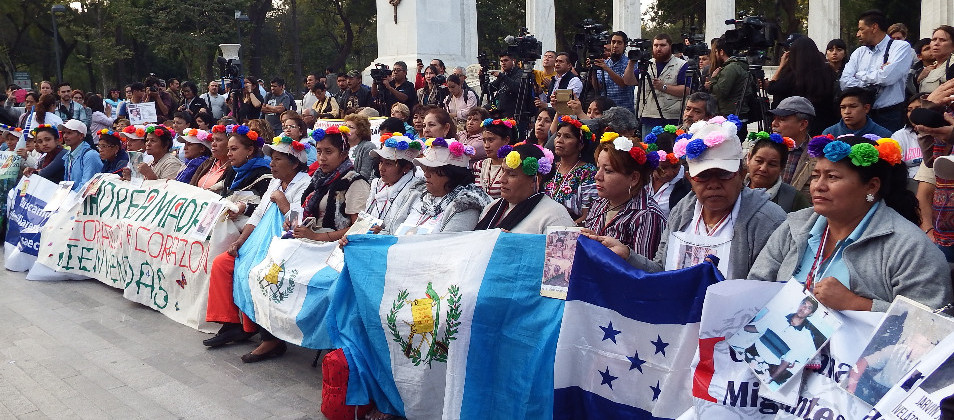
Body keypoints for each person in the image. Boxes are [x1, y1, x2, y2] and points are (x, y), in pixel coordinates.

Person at [748, 135, 953, 312]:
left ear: (871, 186)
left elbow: (928, 323)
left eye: (832, 177)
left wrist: (858, 304)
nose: (818, 186)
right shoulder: (795, 226)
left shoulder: (909, 247)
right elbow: (756, 287)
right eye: (816, 176)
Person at [588, 116, 787, 279]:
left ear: (741, 175)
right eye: (703, 176)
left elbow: (765, 289)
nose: (714, 184)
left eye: (724, 174)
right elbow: (662, 271)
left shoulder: (769, 221)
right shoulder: (682, 212)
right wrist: (628, 255)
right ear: (690, 179)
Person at [203, 132, 311, 359]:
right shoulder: (274, 181)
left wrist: (282, 201)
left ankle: (270, 338)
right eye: (272, 159)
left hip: (285, 247)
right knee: (223, 263)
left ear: (294, 163)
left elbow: (297, 224)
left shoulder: (305, 184)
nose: (271, 164)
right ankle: (232, 324)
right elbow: (258, 215)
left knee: (255, 271)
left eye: (278, 159)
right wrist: (240, 241)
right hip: (260, 240)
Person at [581, 130, 667, 258]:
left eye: (608, 171)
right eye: (598, 168)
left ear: (634, 178)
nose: (597, 176)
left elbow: (641, 268)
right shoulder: (599, 203)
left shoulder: (646, 216)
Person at [392, 138, 489, 234]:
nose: (426, 174)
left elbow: (448, 241)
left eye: (433, 170)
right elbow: (393, 228)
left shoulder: (465, 205)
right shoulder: (418, 193)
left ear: (452, 174)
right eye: (426, 168)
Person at [840, 10, 915, 132]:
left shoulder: (900, 47)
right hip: (862, 116)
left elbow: (888, 77)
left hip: (890, 115)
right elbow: (844, 82)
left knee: (888, 144)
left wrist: (859, 75)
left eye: (861, 29)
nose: (858, 34)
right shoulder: (859, 52)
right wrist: (877, 74)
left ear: (874, 27)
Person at [475, 143, 574, 234]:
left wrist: (516, 243)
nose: (501, 179)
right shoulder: (491, 208)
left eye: (512, 174)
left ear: (535, 180)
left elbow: (563, 248)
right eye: (503, 171)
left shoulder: (555, 217)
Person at [294, 125, 370, 242]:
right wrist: (295, 225)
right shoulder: (318, 179)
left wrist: (316, 236)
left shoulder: (354, 182)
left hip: (335, 246)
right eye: (319, 151)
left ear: (343, 154)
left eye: (328, 152)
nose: (322, 158)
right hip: (313, 242)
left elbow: (360, 227)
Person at [736, 297, 821, 384]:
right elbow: (756, 328)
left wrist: (771, 378)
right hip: (750, 352)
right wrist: (737, 327)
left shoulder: (803, 337)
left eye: (808, 308)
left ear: (811, 314)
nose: (803, 308)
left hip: (766, 367)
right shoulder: (779, 316)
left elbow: (786, 361)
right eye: (803, 304)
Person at [765, 37, 838, 135]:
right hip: (825, 125)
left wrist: (781, 66)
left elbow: (772, 88)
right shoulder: (828, 72)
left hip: (797, 127)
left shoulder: (792, 76)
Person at [623, 34, 689, 134]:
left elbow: (687, 90)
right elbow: (628, 81)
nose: (658, 48)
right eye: (656, 45)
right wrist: (631, 62)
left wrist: (664, 87)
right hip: (647, 117)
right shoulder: (647, 64)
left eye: (662, 45)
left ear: (670, 46)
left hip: (670, 118)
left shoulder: (681, 65)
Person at [363, 134, 426, 234]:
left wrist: (382, 233)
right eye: (381, 162)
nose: (381, 168)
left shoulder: (416, 193)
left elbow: (408, 233)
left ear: (406, 167)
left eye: (388, 164)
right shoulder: (377, 185)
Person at [545, 116, 597, 223]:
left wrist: (565, 229)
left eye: (567, 136)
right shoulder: (550, 168)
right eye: (558, 135)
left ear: (580, 145)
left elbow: (588, 216)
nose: (559, 140)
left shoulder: (588, 173)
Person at [744, 131, 811, 212]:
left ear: (782, 167)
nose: (763, 168)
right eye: (759, 161)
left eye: (772, 164)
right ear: (749, 159)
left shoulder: (793, 199)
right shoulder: (735, 189)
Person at [768, 96, 817, 196]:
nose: (774, 124)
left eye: (782, 119)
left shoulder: (818, 156)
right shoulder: (763, 149)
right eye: (774, 119)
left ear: (802, 125)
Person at [642, 126, 691, 216]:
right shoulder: (640, 177)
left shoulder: (688, 184)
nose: (669, 173)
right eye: (663, 167)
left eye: (675, 166)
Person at [706, 38, 752, 118]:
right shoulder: (735, 65)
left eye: (716, 52)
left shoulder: (730, 68)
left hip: (730, 112)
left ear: (721, 52)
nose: (715, 55)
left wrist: (713, 80)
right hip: (735, 110)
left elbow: (721, 92)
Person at [489, 52, 535, 131]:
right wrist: (482, 78)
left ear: (513, 61)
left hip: (517, 117)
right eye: (501, 61)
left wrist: (501, 76)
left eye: (506, 60)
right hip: (503, 116)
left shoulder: (520, 73)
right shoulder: (504, 75)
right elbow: (490, 89)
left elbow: (517, 88)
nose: (503, 63)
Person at [822, 87, 894, 138]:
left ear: (866, 108)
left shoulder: (883, 135)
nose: (847, 112)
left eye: (853, 106)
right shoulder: (829, 134)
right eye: (843, 107)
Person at [592, 31, 635, 112]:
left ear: (624, 45)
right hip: (605, 110)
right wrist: (593, 70)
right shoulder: (605, 63)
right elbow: (598, 87)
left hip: (624, 110)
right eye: (613, 42)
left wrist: (607, 69)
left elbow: (624, 83)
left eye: (619, 43)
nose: (615, 45)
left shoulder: (630, 63)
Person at [473, 118, 516, 199]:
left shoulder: (513, 167)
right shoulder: (479, 166)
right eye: (484, 141)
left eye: (491, 140)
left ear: (506, 140)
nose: (486, 145)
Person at [58, 119, 102, 190]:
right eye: (64, 132)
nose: (65, 136)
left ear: (81, 136)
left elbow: (86, 185)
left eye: (69, 133)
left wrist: (71, 196)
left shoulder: (90, 155)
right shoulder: (68, 155)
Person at [892, 95, 926, 180]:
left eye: (918, 108)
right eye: (909, 110)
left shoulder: (942, 133)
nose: (913, 113)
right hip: (908, 181)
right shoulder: (899, 136)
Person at [190, 125, 231, 191]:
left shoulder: (234, 169)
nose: (213, 144)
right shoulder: (208, 163)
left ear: (230, 143)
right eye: (212, 140)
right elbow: (191, 186)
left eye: (218, 140)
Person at [919, 26, 954, 94]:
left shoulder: (952, 65)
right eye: (934, 39)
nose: (936, 43)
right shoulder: (929, 67)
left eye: (942, 40)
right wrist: (919, 79)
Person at [341, 113, 376, 180]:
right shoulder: (341, 147)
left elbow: (365, 175)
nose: (345, 129)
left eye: (351, 127)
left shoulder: (368, 147)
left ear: (361, 131)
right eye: (345, 126)